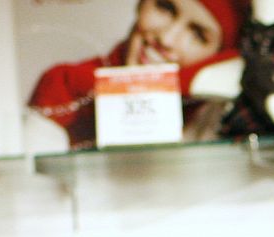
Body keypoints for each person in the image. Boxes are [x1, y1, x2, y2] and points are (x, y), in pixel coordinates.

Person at [28, 0, 241, 148]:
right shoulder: (63, 85)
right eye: (164, 6)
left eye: (197, 34)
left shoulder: (220, 114)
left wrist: (188, 83)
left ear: (220, 56)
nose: (167, 39)